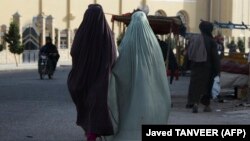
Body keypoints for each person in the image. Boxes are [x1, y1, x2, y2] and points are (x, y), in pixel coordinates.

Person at [108, 11, 171, 141]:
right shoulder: (154, 45)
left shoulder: (126, 44)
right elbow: (160, 72)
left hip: (130, 98)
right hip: (152, 97)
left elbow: (119, 70)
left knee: (129, 119)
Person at [67, 4, 117, 141]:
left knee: (88, 104)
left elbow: (74, 51)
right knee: (96, 104)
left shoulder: (82, 32)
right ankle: (92, 131)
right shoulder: (108, 34)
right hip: (100, 78)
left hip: (83, 76)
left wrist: (84, 63)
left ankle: (91, 133)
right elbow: (113, 56)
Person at [186, 21, 220, 113]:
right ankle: (207, 106)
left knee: (195, 85)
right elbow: (215, 57)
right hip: (207, 68)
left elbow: (188, 53)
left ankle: (195, 103)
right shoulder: (211, 41)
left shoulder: (194, 39)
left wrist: (186, 66)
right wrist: (217, 69)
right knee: (207, 86)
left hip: (195, 66)